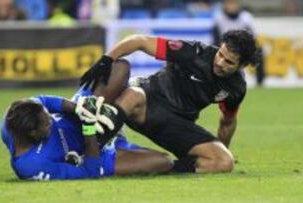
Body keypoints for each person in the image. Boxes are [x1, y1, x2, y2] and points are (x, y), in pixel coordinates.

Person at [80, 29, 258, 174]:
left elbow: (227, 122)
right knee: (133, 94)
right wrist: (106, 60)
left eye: (229, 62)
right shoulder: (193, 53)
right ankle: (89, 152)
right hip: (146, 102)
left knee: (224, 162)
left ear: (241, 66)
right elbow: (139, 41)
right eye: (220, 54)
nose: (220, 62)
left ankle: (160, 166)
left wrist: (222, 149)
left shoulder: (236, 89)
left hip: (175, 124)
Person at [1, 59, 173, 181]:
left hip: (79, 117)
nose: (51, 122)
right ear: (32, 132)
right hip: (92, 151)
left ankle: (113, 118)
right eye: (47, 124)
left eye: (49, 116)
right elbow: (90, 171)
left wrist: (80, 110)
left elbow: (45, 101)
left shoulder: (15, 113)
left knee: (120, 67)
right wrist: (89, 128)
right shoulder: (31, 166)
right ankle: (114, 134)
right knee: (164, 162)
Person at [213, 0, 265, 86]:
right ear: (224, 5)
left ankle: (260, 82)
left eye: (233, 3)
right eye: (229, 3)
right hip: (224, 48)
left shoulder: (246, 17)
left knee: (259, 51)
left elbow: (251, 38)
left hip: (242, 49)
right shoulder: (218, 18)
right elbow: (215, 38)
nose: (231, 6)